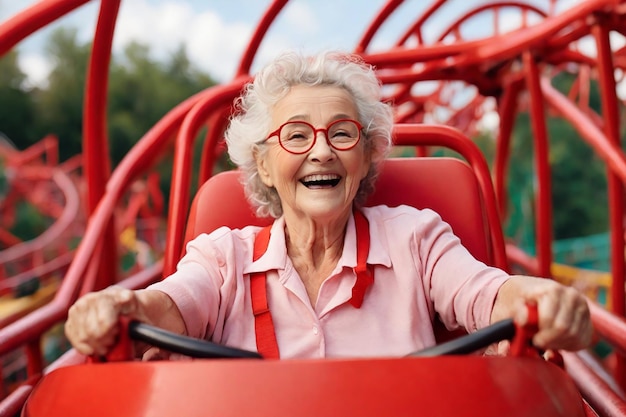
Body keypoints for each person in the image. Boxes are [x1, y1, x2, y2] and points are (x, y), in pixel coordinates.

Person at [65, 50, 592, 360]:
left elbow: (488, 294)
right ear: (265, 164)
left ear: (365, 157)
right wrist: (123, 309)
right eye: (296, 135)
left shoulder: (415, 238)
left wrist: (540, 298)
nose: (321, 150)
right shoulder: (224, 257)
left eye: (342, 134)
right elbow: (171, 305)